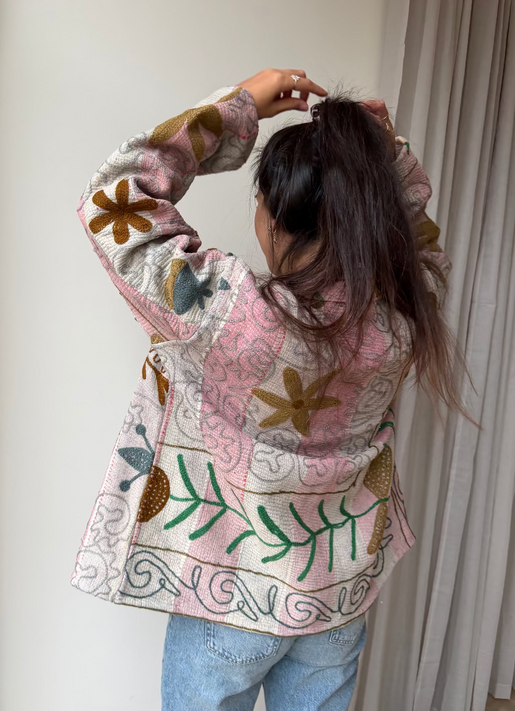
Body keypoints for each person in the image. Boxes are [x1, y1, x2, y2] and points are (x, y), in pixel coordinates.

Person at [71, 68, 458, 710]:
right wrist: (383, 156)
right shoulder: (402, 316)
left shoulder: (226, 313)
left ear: (277, 217)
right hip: (335, 599)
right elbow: (422, 248)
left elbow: (112, 200)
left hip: (230, 597)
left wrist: (238, 107)